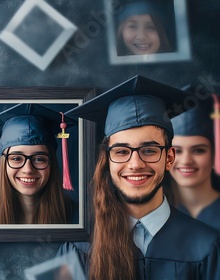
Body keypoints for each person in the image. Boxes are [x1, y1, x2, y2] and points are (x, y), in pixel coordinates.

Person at [59, 75, 220, 279]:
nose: (135, 164)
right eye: (121, 151)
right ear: (108, 160)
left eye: (149, 150)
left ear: (169, 158)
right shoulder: (77, 247)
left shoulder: (206, 245)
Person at [0, 104, 77, 224]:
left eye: (39, 159)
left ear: (51, 164)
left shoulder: (80, 219)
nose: (28, 169)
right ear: (4, 164)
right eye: (17, 158)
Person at [168, 91, 220, 232]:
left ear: (214, 153)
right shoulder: (154, 214)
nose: (186, 161)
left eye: (198, 150)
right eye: (177, 151)